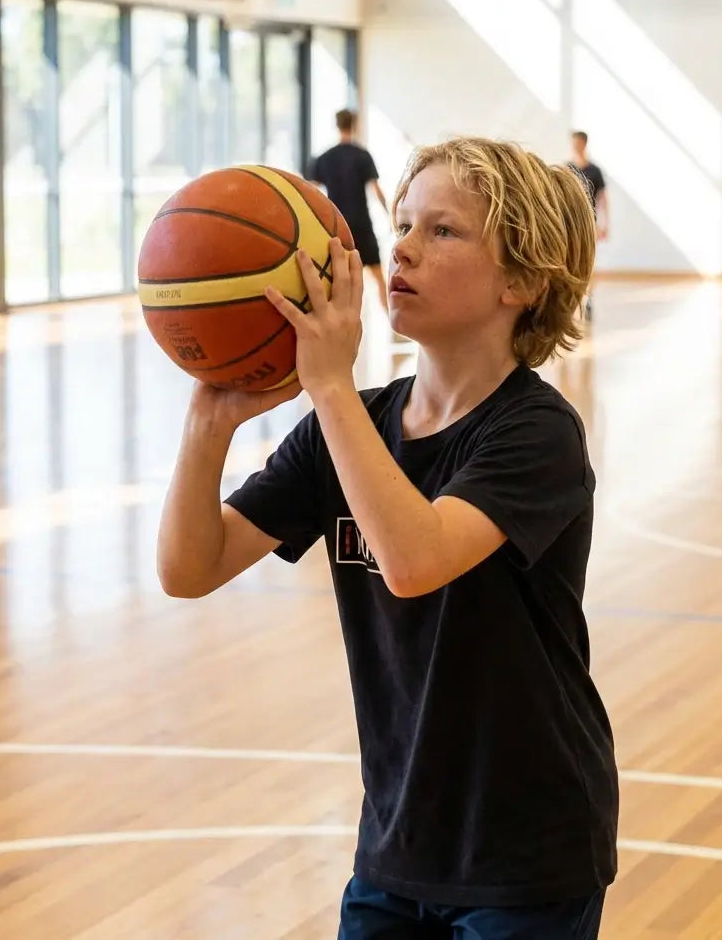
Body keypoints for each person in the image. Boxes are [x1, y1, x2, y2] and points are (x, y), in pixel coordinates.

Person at [158, 137, 618, 939]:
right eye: (402, 223)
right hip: (398, 840)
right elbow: (189, 569)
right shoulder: (353, 423)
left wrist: (326, 383)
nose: (399, 246)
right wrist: (209, 423)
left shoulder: (536, 432)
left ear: (523, 280)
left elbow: (416, 562)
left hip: (527, 851)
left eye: (443, 231)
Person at [309, 109, 390, 314]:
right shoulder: (362, 155)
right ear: (353, 125)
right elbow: (377, 191)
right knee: (379, 276)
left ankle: (339, 321)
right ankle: (393, 323)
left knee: (337, 280)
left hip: (337, 226)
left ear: (337, 126)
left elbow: (310, 193)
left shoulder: (325, 158)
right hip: (362, 223)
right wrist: (391, 216)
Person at [567, 131, 609, 321]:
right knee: (571, 261)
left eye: (578, 143)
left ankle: (589, 298)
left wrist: (604, 224)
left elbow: (602, 199)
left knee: (590, 263)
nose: (575, 146)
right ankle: (572, 298)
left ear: (584, 144)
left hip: (590, 223)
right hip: (572, 223)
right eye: (573, 143)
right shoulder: (568, 168)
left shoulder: (595, 171)